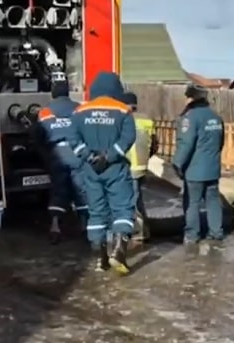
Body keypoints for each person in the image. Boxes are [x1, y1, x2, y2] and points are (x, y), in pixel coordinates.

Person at [63, 72, 136, 274]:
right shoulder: (123, 110)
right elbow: (129, 137)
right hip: (116, 169)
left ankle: (100, 258)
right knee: (122, 208)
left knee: (96, 211)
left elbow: (72, 139)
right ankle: (119, 252)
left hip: (91, 170)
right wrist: (110, 156)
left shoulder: (79, 111)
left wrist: (89, 156)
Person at [172, 84, 225, 245]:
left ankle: (192, 235)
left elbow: (186, 144)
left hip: (195, 170)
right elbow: (221, 142)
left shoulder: (190, 118)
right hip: (213, 168)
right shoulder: (216, 117)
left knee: (192, 202)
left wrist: (177, 163)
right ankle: (216, 232)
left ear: (191, 98)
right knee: (213, 200)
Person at [36, 80, 88, 244]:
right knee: (81, 190)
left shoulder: (45, 112)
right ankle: (85, 227)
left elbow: (38, 135)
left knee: (59, 190)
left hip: (57, 154)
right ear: (68, 93)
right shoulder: (80, 108)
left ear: (53, 94)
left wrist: (46, 154)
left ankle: (55, 226)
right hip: (77, 153)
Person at [121, 91, 154, 242]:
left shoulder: (123, 119)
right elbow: (154, 144)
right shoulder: (147, 119)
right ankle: (144, 229)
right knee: (138, 198)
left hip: (128, 166)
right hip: (142, 166)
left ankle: (138, 231)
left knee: (131, 200)